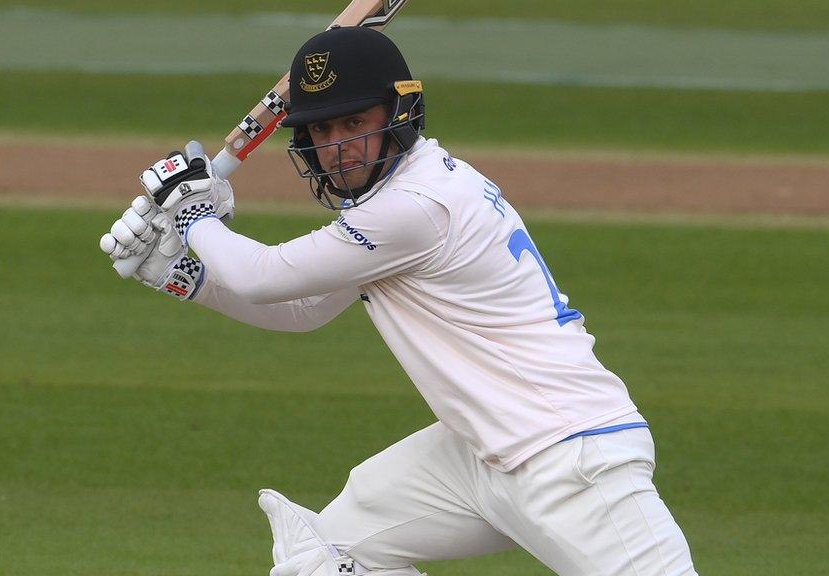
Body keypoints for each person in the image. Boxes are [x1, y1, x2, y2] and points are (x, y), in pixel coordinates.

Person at [100, 26, 698, 576]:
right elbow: (302, 309)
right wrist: (180, 273)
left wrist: (195, 213)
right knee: (328, 554)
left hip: (571, 455)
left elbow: (263, 275)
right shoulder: (390, 208)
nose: (338, 146)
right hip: (479, 456)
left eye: (354, 122)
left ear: (398, 113)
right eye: (323, 131)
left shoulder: (416, 207)